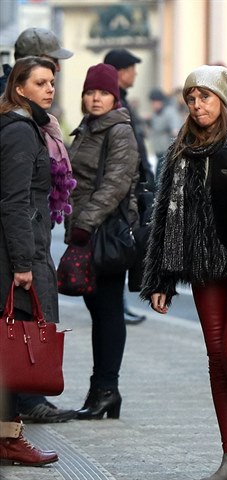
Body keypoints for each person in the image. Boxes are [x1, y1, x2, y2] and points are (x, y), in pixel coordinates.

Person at [141, 65, 227, 480]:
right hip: (202, 263)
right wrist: (160, 279)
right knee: (216, 359)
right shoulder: (181, 147)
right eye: (191, 99)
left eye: (205, 97)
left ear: (222, 99)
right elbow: (164, 216)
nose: (197, 106)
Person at [0, 28, 76, 425]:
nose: (50, 88)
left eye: (52, 82)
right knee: (16, 335)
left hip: (29, 242)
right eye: (42, 83)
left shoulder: (32, 126)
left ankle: (12, 432)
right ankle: (12, 432)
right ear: (20, 88)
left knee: (17, 335)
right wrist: (22, 263)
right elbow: (14, 201)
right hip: (20, 249)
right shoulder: (19, 131)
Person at [66, 63, 140, 419]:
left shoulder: (119, 130)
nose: (96, 98)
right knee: (99, 311)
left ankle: (106, 391)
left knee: (108, 312)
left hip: (104, 234)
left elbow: (117, 182)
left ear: (115, 97)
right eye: (90, 92)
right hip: (87, 232)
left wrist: (85, 223)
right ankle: (102, 391)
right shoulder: (87, 129)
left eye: (103, 93)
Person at [104, 47, 153, 325]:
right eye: (132, 69)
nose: (135, 73)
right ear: (122, 72)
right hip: (125, 188)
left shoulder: (121, 100)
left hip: (132, 184)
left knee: (129, 244)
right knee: (123, 243)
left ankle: (120, 303)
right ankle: (117, 304)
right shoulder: (115, 103)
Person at [146, 87, 183, 180]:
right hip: (159, 151)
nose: (153, 105)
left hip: (167, 153)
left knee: (160, 179)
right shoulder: (156, 113)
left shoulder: (169, 112)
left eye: (155, 102)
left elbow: (176, 129)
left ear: (160, 101)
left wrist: (173, 131)